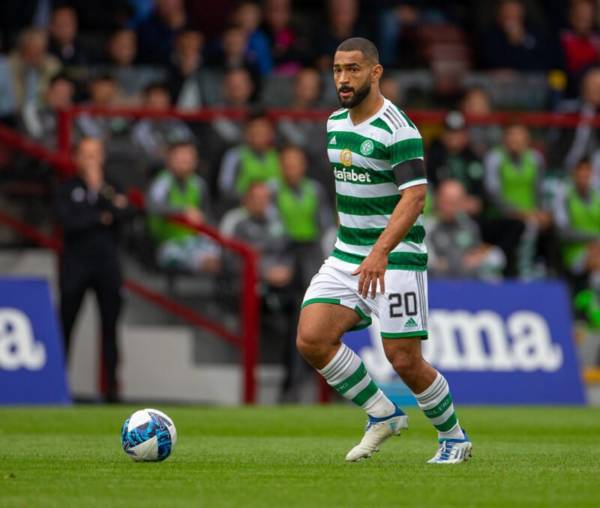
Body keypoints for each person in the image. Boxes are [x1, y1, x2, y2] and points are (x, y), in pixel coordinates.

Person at [296, 37, 472, 464]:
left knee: (404, 359)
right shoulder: (334, 123)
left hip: (396, 258)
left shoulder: (399, 128)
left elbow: (415, 197)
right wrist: (358, 247)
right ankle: (382, 413)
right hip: (347, 254)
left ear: (375, 73)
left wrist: (379, 252)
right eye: (337, 69)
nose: (343, 78)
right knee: (312, 338)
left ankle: (454, 438)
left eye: (353, 69)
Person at [55, 137, 132, 402]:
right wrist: (101, 217)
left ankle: (112, 388)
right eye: (86, 154)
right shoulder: (67, 189)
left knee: (110, 327)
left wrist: (99, 192)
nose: (92, 160)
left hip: (107, 265)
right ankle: (57, 385)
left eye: (96, 154)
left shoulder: (111, 186)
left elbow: (124, 214)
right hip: (75, 266)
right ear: (76, 158)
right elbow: (68, 222)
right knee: (66, 325)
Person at [484, 123, 552, 277]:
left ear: (527, 139)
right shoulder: (495, 158)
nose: (515, 139)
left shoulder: (536, 159)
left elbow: (540, 191)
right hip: (501, 216)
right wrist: (519, 213)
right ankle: (523, 271)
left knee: (547, 225)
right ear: (505, 138)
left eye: (520, 136)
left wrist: (543, 212)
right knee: (525, 226)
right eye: (512, 135)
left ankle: (545, 270)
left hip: (531, 214)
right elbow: (492, 193)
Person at [146, 142, 220, 273]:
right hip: (167, 244)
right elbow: (152, 206)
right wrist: (183, 210)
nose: (185, 162)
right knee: (203, 261)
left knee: (220, 253)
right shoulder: (162, 182)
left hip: (194, 240)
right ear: (169, 160)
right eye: (180, 158)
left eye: (189, 158)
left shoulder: (199, 184)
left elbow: (206, 215)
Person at [428, 180, 505, 279]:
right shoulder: (428, 227)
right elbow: (426, 261)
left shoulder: (469, 226)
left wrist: (477, 257)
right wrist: (443, 263)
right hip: (437, 282)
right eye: (448, 202)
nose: (451, 207)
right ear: (438, 200)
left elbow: (478, 251)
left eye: (455, 202)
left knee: (495, 257)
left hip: (467, 280)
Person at [554, 158, 600, 294]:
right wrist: (594, 238)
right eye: (580, 172)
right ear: (573, 174)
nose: (584, 176)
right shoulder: (564, 197)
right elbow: (563, 233)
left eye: (587, 172)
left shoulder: (597, 196)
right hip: (575, 252)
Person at [218, 113, 282, 207]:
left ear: (271, 133)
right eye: (255, 131)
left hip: (273, 209)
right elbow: (225, 188)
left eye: (263, 131)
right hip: (242, 207)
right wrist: (250, 198)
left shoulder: (279, 157)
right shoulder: (235, 156)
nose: (259, 135)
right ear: (247, 133)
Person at [21, 73, 75, 148]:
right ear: (48, 91)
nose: (62, 98)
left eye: (66, 94)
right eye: (58, 93)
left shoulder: (74, 115)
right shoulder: (32, 111)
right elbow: (37, 141)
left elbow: (81, 138)